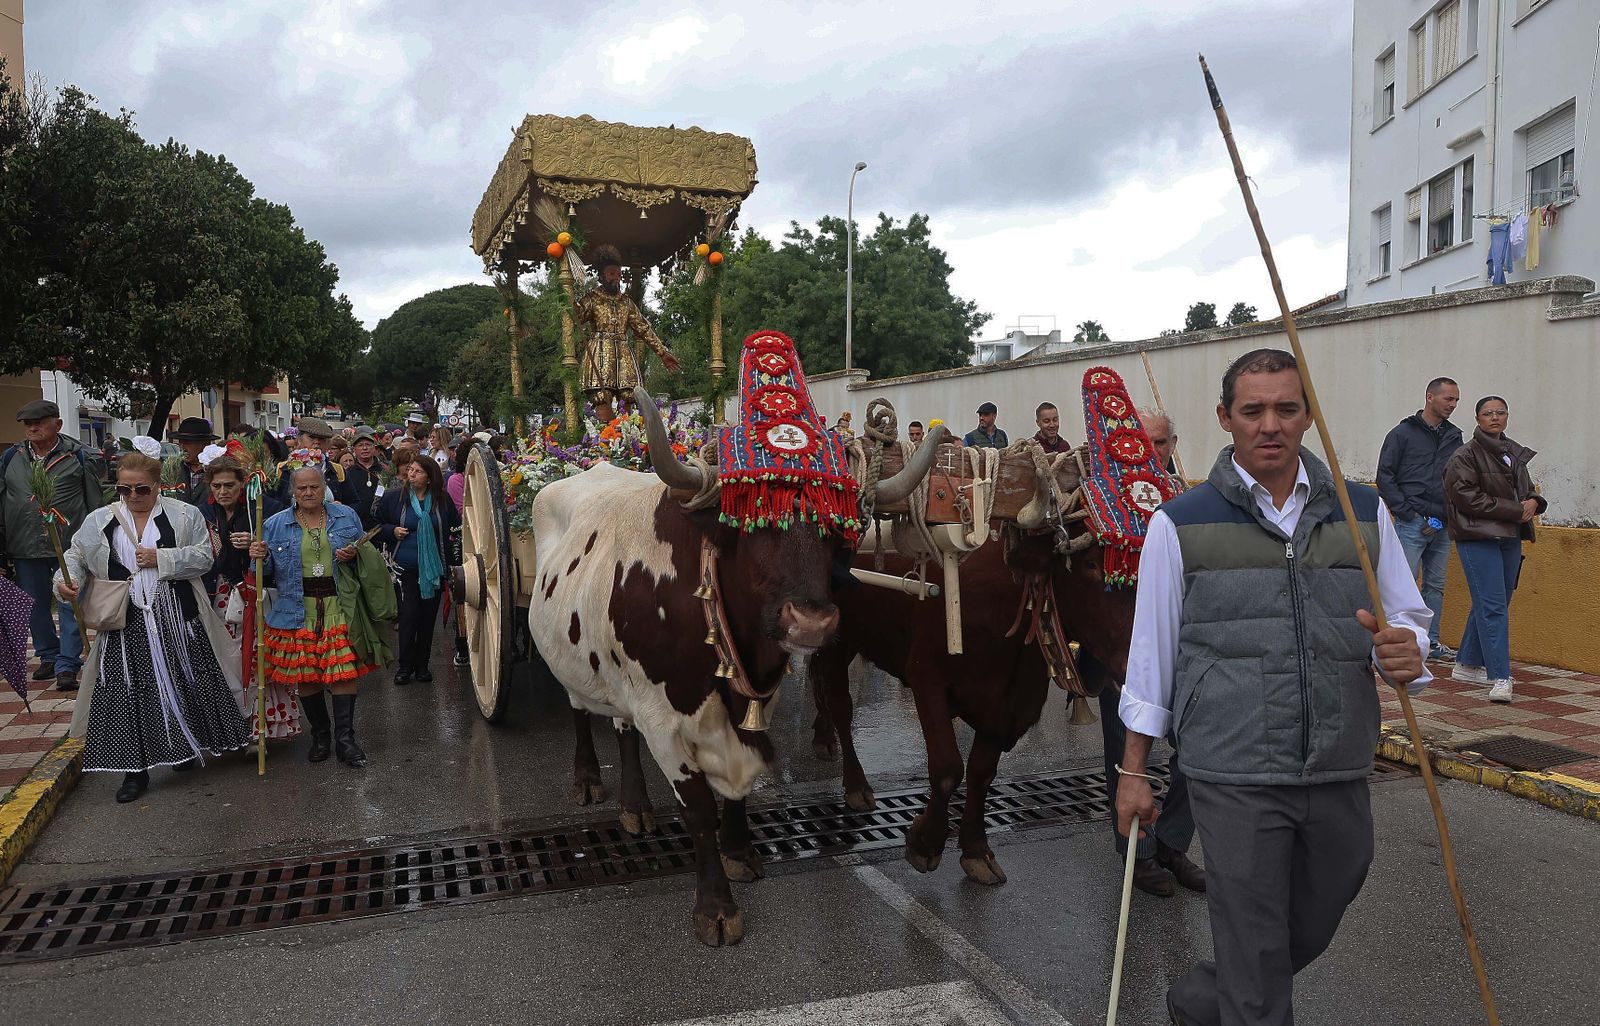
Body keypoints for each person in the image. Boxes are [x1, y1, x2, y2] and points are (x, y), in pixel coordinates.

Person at [1116, 348, 1430, 1026]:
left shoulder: (1363, 511)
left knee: (1321, 905)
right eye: (1252, 410)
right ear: (1226, 417)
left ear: (1308, 416)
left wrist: (1411, 649)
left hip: (1338, 759)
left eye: (1286, 409)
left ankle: (1204, 999)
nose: (1270, 425)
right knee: (1257, 954)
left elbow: (1405, 618)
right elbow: (1152, 656)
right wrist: (1133, 771)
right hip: (1233, 770)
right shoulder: (1180, 523)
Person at [59, 449, 252, 803]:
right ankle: (135, 772)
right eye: (124, 489)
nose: (132, 496)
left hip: (177, 615)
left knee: (185, 681)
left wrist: (161, 558)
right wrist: (65, 580)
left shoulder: (184, 514)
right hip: (124, 618)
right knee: (127, 691)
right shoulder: (100, 519)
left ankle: (185, 745)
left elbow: (206, 556)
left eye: (141, 489)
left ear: (158, 486)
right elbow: (74, 556)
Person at [1086, 405, 1203, 897]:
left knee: (1197, 757)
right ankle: (1137, 853)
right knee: (1126, 756)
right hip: (1124, 659)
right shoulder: (1093, 501)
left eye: (1160, 443)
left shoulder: (1187, 502)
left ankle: (1173, 842)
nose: (1151, 452)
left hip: (1186, 656)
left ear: (1172, 446)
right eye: (1142, 442)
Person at [249, 458, 373, 767]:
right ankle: (321, 736)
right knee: (307, 674)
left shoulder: (347, 516)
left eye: (314, 486)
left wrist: (354, 555)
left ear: (325, 488)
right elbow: (261, 574)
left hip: (337, 604)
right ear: (292, 490)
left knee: (343, 671)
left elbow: (367, 560)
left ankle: (346, 741)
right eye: (302, 487)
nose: (308, 492)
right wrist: (257, 556)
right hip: (296, 607)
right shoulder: (274, 523)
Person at [1444, 396, 1544, 703]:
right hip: (1478, 537)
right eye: (1488, 413)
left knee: (1495, 602)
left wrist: (1535, 503)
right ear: (1477, 419)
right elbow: (1467, 499)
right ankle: (1500, 676)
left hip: (1510, 538)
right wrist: (1516, 510)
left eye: (1501, 412)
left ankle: (1466, 663)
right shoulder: (1465, 455)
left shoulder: (1513, 453)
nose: (1495, 417)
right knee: (1493, 606)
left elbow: (1526, 493)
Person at [1, 398, 106, 692]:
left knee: (70, 601)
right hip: (23, 543)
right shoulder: (11, 457)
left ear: (57, 425)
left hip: (69, 546)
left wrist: (96, 543)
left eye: (39, 422)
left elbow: (94, 502)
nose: (32, 428)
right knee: (33, 604)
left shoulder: (79, 456)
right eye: (27, 423)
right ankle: (47, 656)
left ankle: (67, 664)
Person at [198, 455, 296, 740]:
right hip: (216, 594)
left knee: (255, 656)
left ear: (243, 484)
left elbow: (283, 548)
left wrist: (257, 545)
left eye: (230, 485)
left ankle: (259, 728)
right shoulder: (201, 512)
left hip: (255, 593)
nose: (223, 491)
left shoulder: (263, 509)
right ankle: (228, 729)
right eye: (217, 485)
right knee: (221, 659)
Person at [1377, 377, 1464, 662]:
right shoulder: (1402, 433)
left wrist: (1450, 516)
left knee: (1435, 587)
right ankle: (1391, 641)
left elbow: (1458, 479)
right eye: (1448, 399)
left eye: (1456, 400)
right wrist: (1407, 512)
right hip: (1411, 523)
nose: (1452, 405)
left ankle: (1431, 643)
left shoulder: (1455, 437)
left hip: (1443, 525)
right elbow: (1385, 476)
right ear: (1430, 397)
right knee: (1401, 583)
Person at [376, 451, 460, 684]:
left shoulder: (442, 500)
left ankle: (422, 666)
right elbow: (376, 524)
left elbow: (455, 528)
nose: (410, 473)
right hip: (405, 568)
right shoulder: (394, 498)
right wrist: (391, 531)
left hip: (433, 569)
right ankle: (405, 667)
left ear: (429, 478)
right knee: (409, 615)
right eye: (410, 469)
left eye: (417, 471)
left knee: (427, 617)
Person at [573, 244, 681, 424]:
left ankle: (628, 439)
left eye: (619, 274)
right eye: (612, 274)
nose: (616, 279)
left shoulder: (626, 303)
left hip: (623, 353)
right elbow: (577, 315)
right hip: (600, 352)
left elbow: (643, 327)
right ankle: (605, 440)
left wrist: (662, 352)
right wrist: (568, 298)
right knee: (602, 393)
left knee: (629, 393)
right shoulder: (592, 298)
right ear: (602, 276)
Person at [447, 437, 473, 667]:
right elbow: (461, 512)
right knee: (463, 592)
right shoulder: (456, 480)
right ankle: (462, 643)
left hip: (481, 539)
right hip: (463, 540)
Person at [169, 417, 220, 504]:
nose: (182, 448)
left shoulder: (217, 469)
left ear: (205, 444)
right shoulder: (174, 469)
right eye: (180, 442)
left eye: (187, 442)